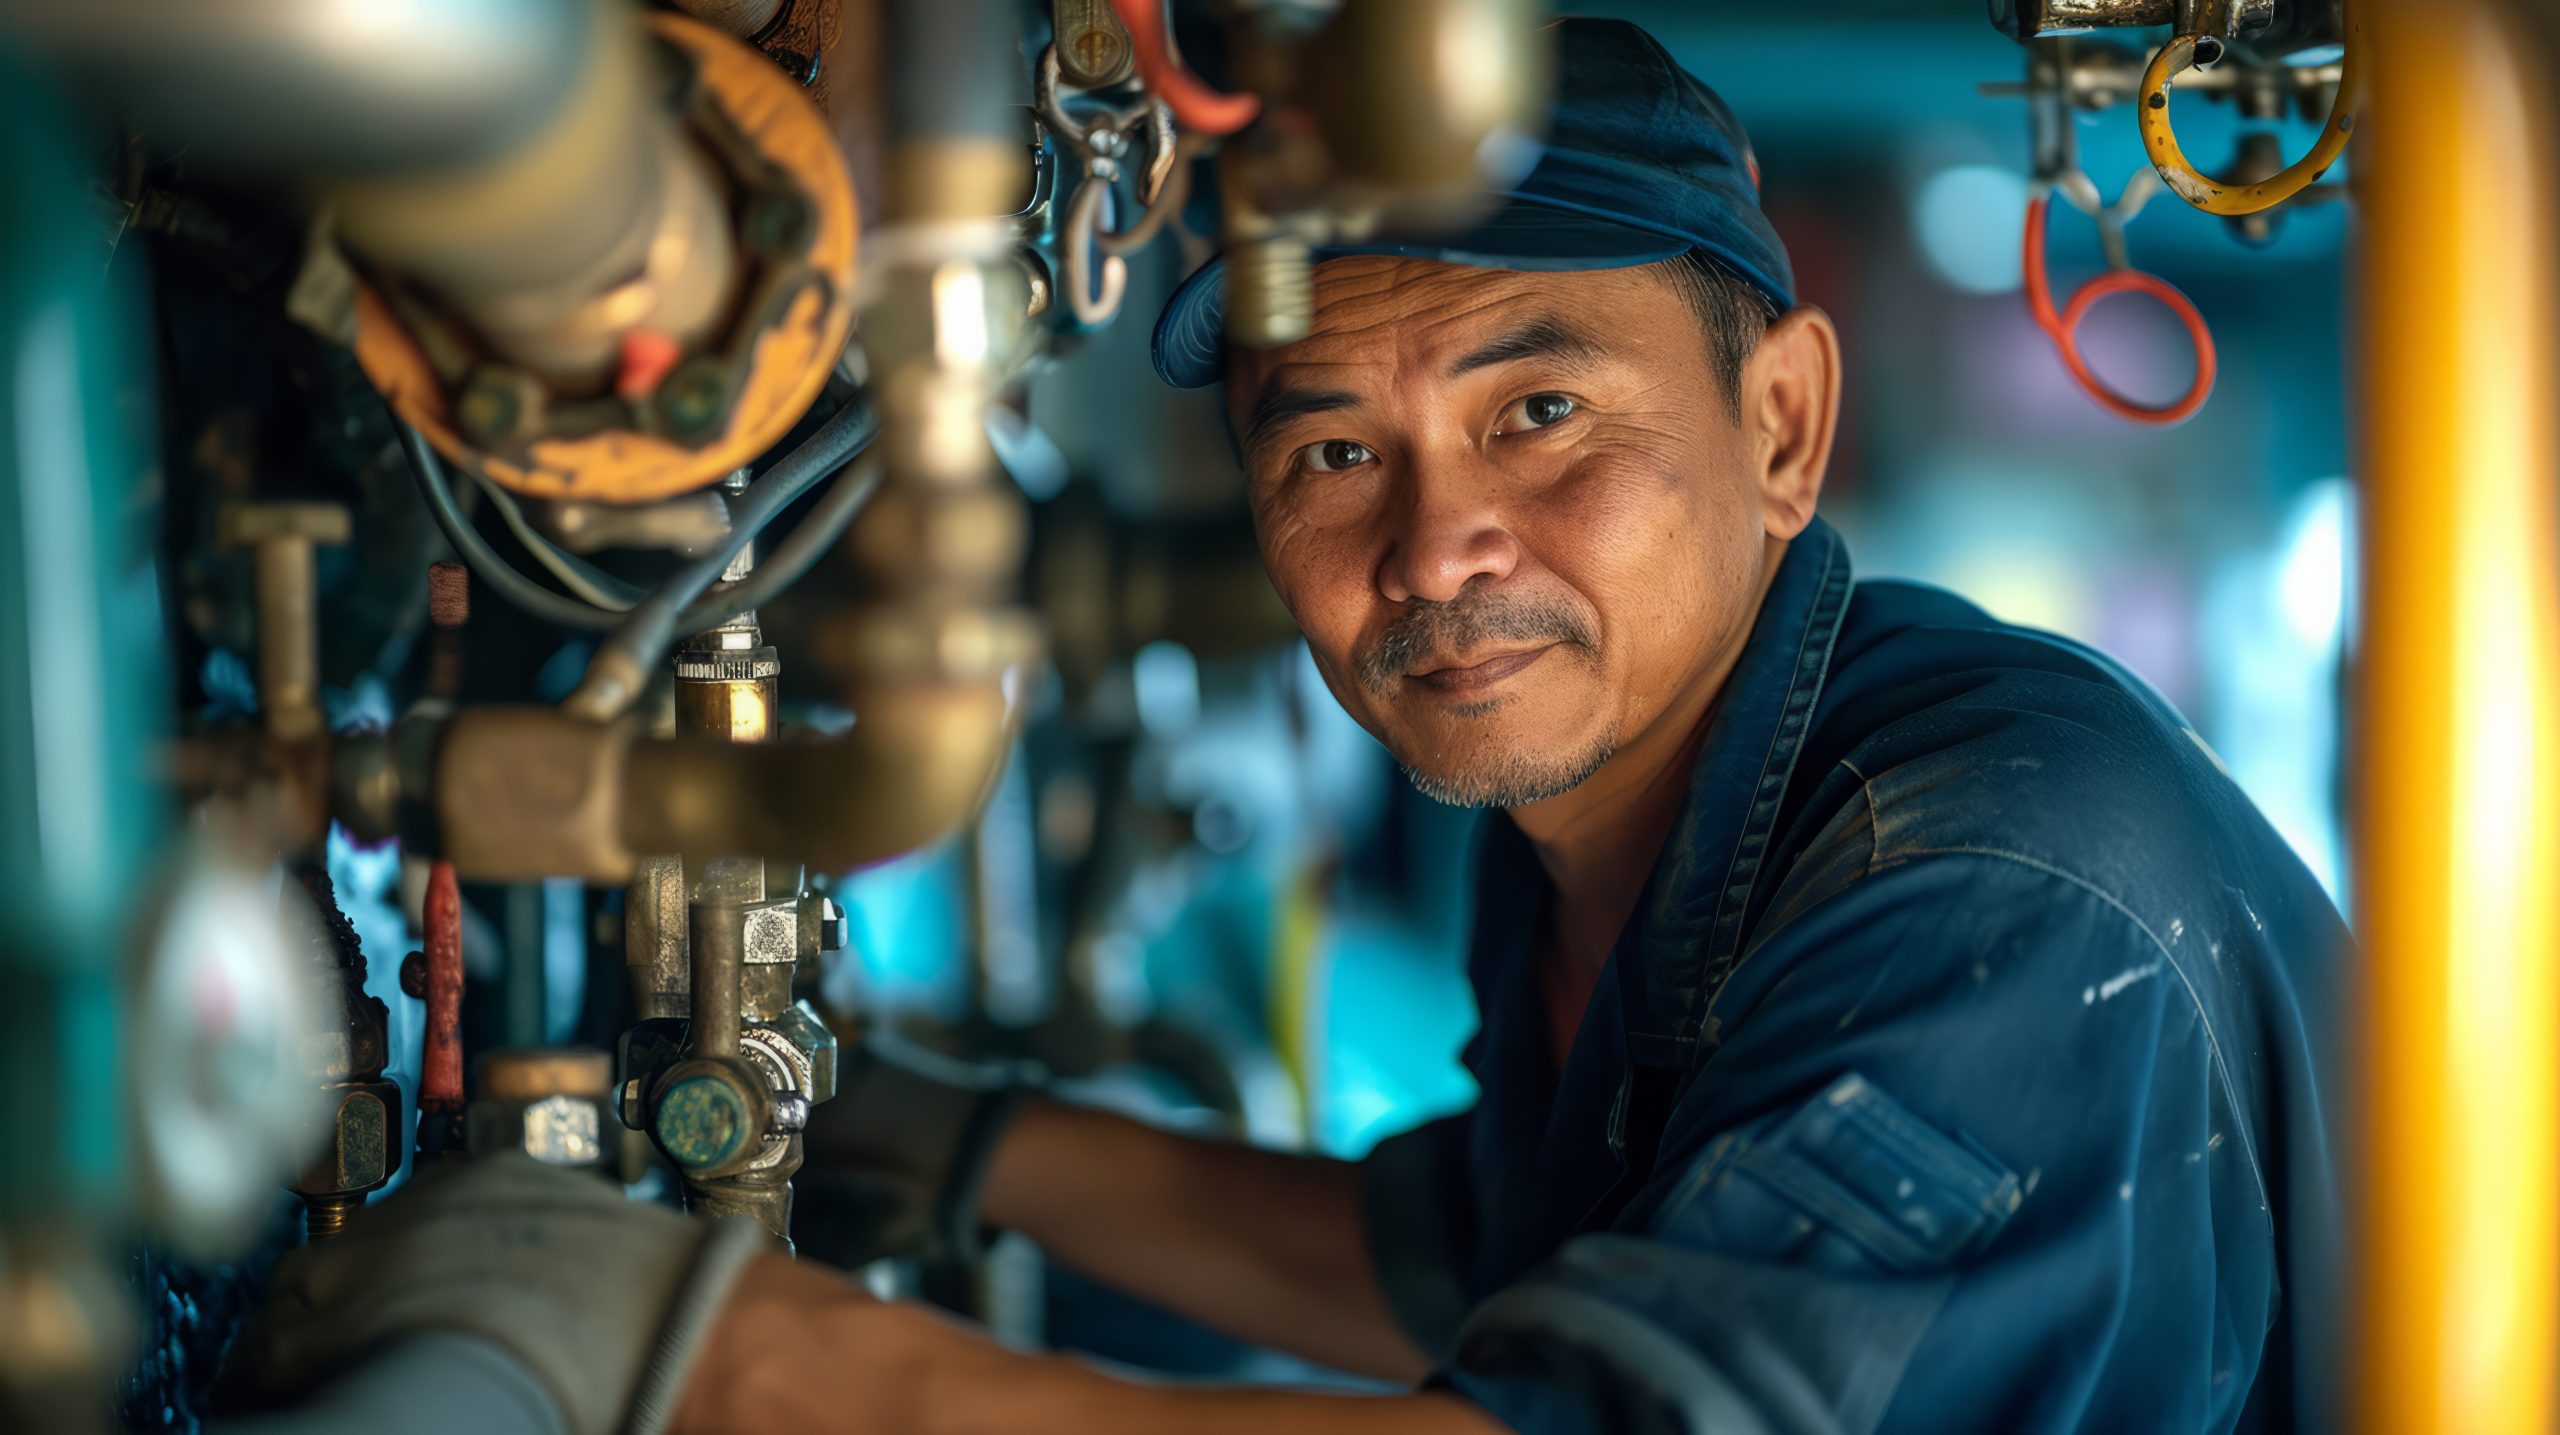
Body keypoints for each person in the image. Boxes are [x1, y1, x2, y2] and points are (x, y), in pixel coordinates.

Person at [217, 18, 2346, 1435]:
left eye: (1537, 410)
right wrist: (923, 1127)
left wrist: (711, 1347)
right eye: (1328, 450)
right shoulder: (1660, 809)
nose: (1433, 549)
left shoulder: (1989, 885)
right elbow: (1457, 1269)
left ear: (1779, 420)